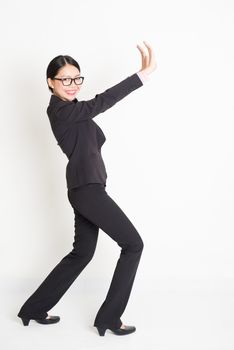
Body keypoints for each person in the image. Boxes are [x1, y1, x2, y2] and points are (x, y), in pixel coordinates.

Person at [17, 41, 157, 336]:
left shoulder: (75, 110)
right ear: (50, 82)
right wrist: (141, 76)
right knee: (133, 244)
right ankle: (109, 317)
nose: (72, 84)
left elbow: (92, 129)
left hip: (85, 187)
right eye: (65, 79)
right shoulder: (60, 112)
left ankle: (33, 308)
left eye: (77, 78)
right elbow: (102, 102)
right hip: (88, 190)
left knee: (82, 253)